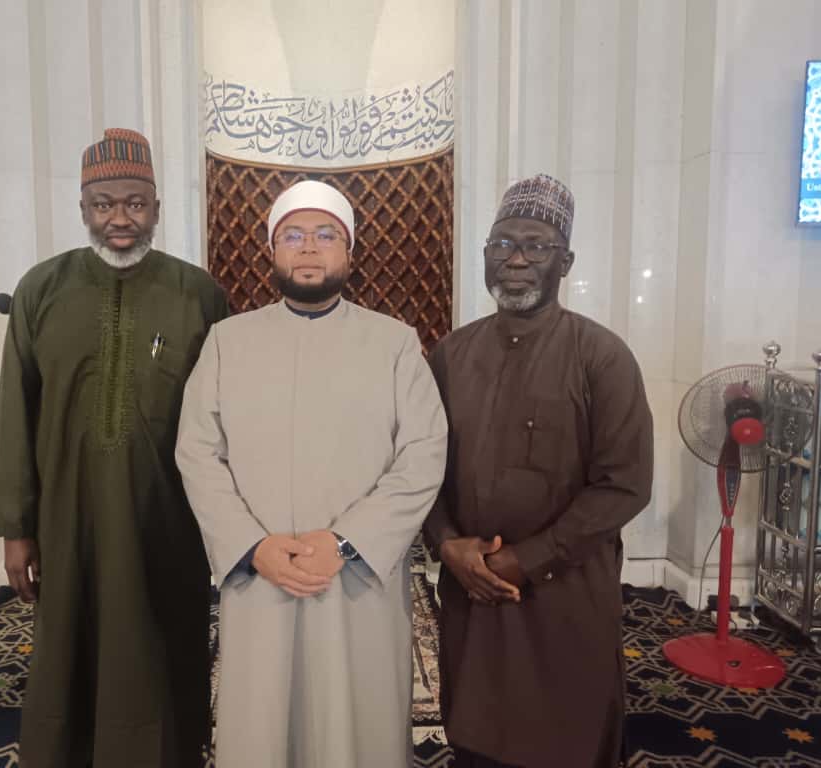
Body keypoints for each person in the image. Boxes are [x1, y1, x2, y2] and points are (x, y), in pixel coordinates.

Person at [175, 180, 448, 767]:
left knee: (360, 723)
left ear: (349, 251)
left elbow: (424, 454)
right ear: (271, 251)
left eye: (325, 235)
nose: (308, 248)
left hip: (356, 579)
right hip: (260, 576)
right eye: (293, 236)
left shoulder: (394, 344)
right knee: (263, 723)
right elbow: (197, 452)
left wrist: (345, 542)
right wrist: (253, 546)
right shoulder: (227, 342)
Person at [0, 128, 228, 767]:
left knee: (163, 646)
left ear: (156, 207)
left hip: (166, 522)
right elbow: (15, 413)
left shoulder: (198, 294)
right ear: (83, 208)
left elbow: (226, 420)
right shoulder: (41, 289)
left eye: (135, 203)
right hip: (67, 520)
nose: (120, 218)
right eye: (104, 204)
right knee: (71, 646)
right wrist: (16, 527)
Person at [425, 173, 653, 768]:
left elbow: (625, 484)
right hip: (471, 589)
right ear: (485, 256)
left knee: (565, 736)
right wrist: (447, 544)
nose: (517, 260)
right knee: (475, 729)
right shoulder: (450, 355)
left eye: (536, 246)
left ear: (565, 262)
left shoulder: (601, 356)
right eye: (502, 244)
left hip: (563, 592)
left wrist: (526, 560)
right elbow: (419, 466)